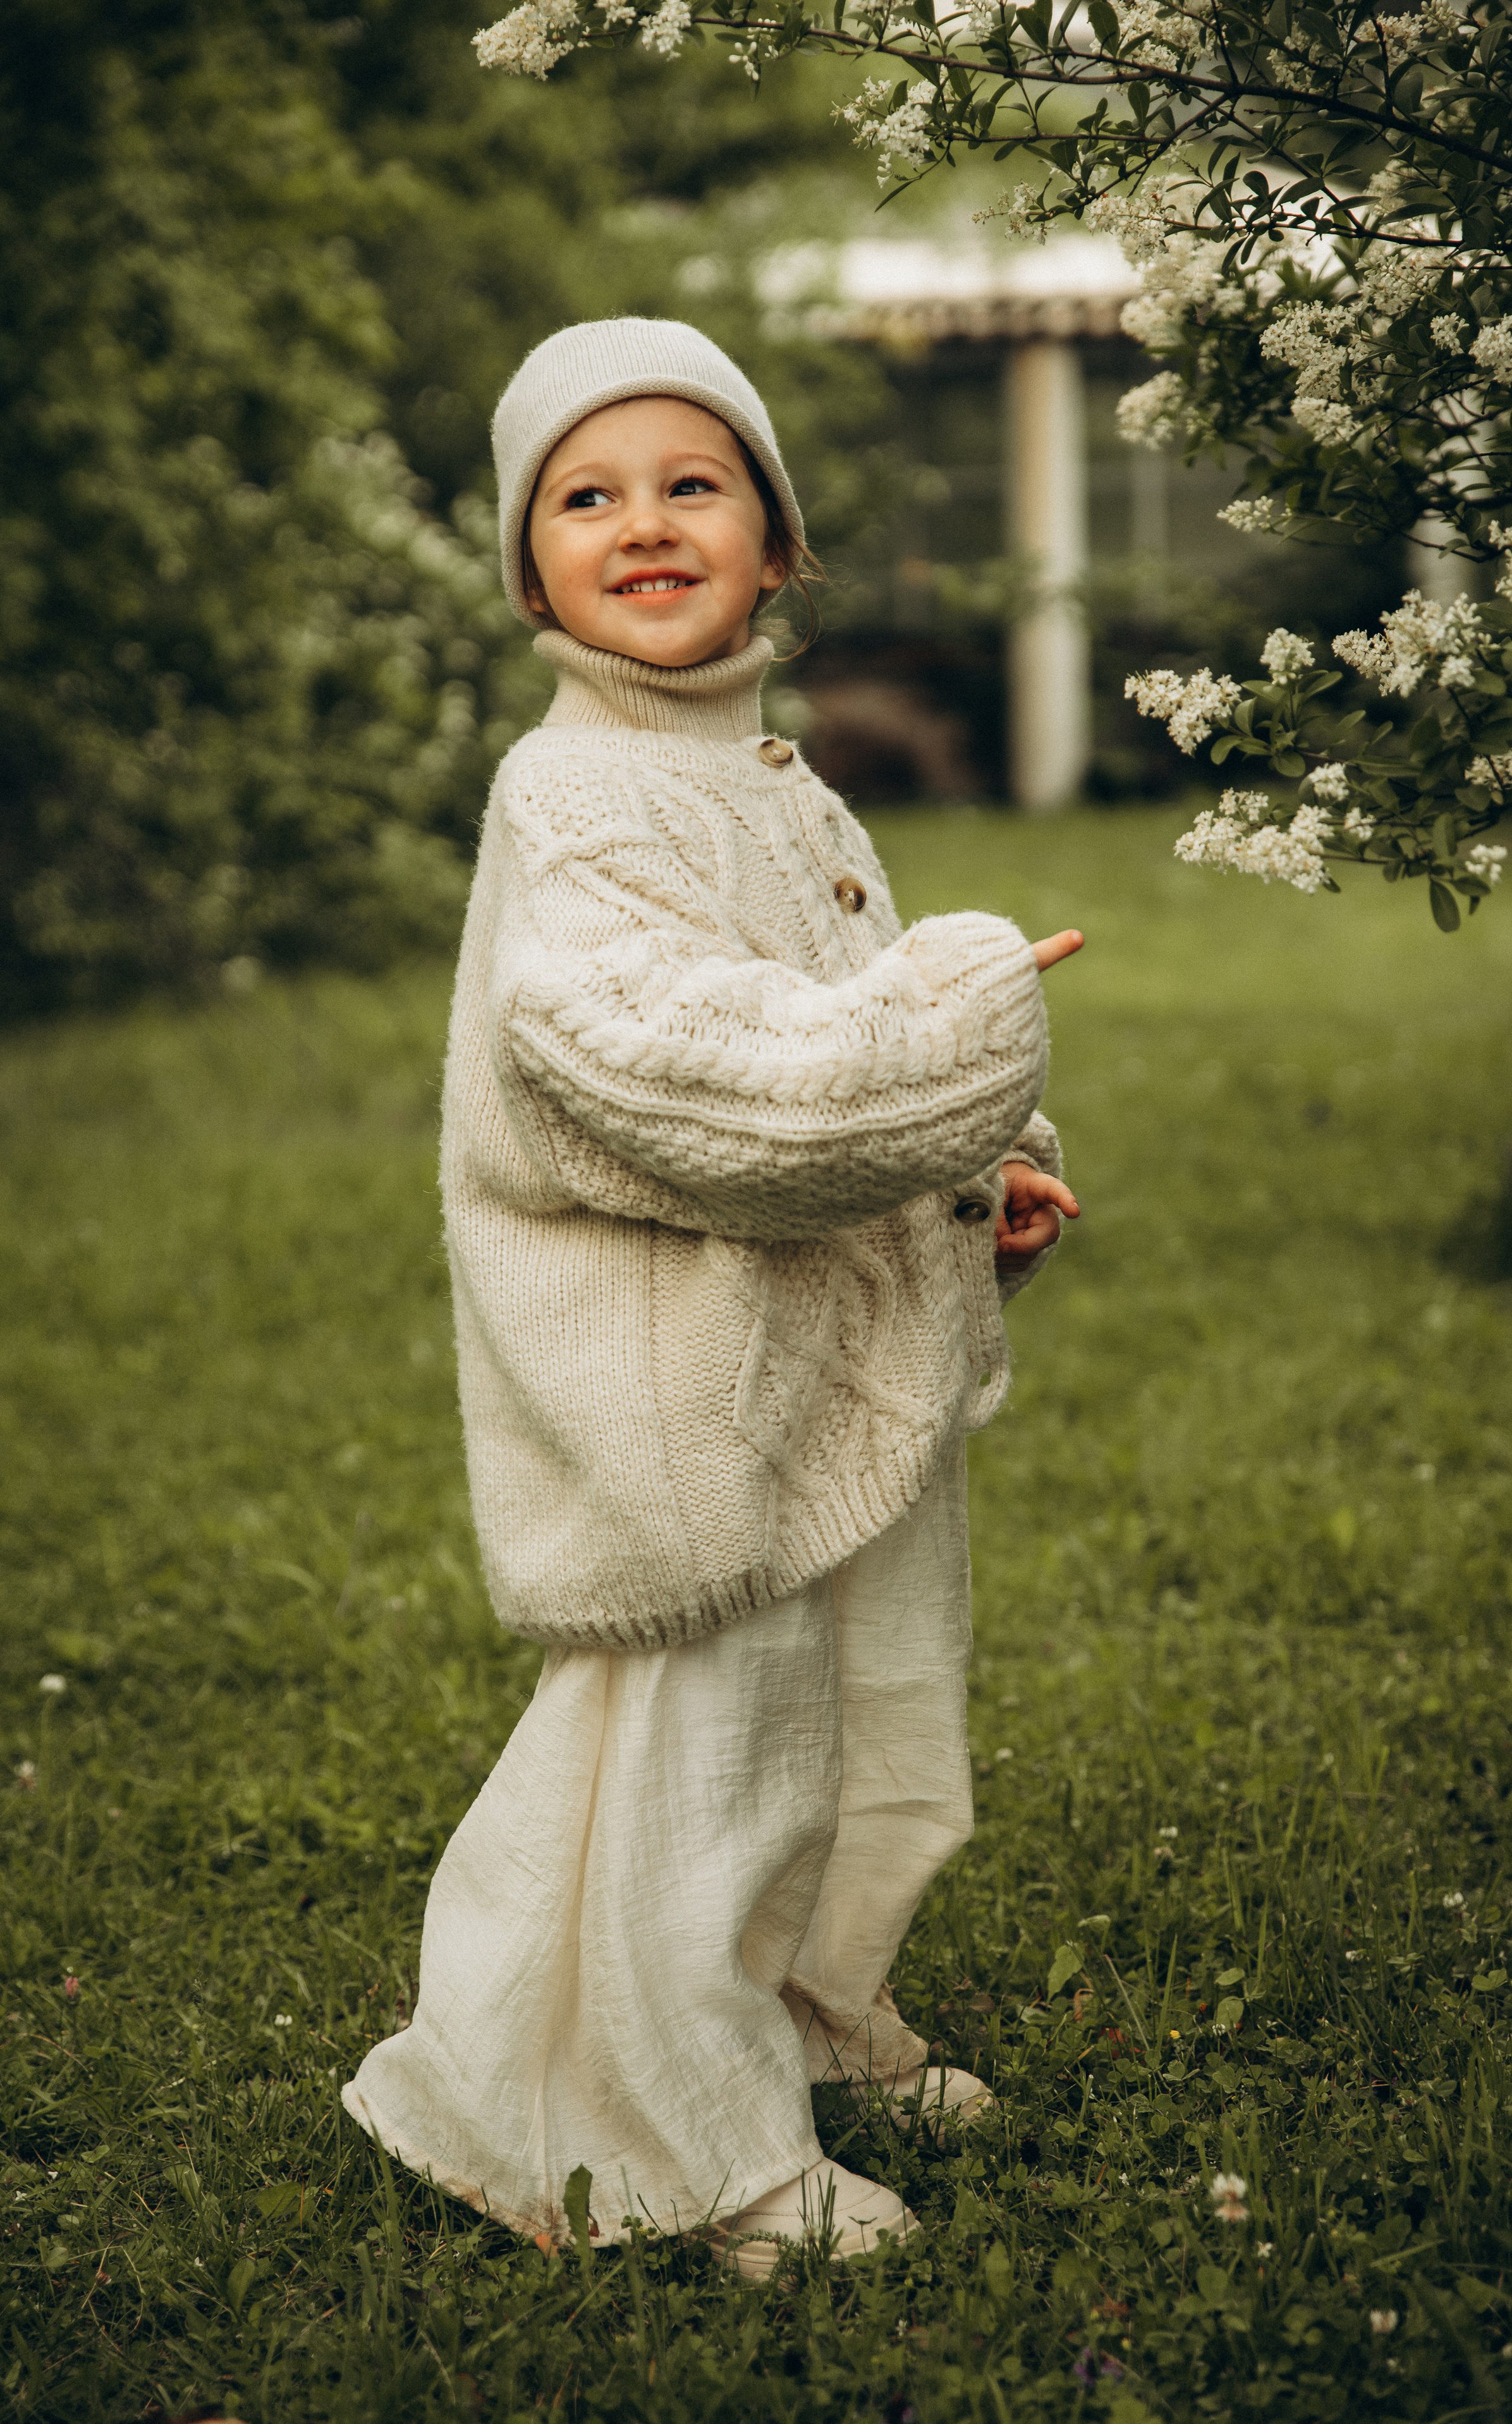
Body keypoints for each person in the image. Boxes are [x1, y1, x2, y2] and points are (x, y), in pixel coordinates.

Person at [342, 317, 1083, 2279]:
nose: (644, 523)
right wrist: (955, 1019)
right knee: (704, 1748)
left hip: (823, 1352)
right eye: (587, 497)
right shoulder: (573, 799)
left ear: (779, 549)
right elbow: (676, 1072)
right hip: (678, 1375)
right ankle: (679, 2130)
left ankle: (814, 2008)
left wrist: (975, 1159)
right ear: (530, 569)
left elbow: (837, 1031)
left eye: (695, 484)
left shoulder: (778, 785)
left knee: (871, 1705)